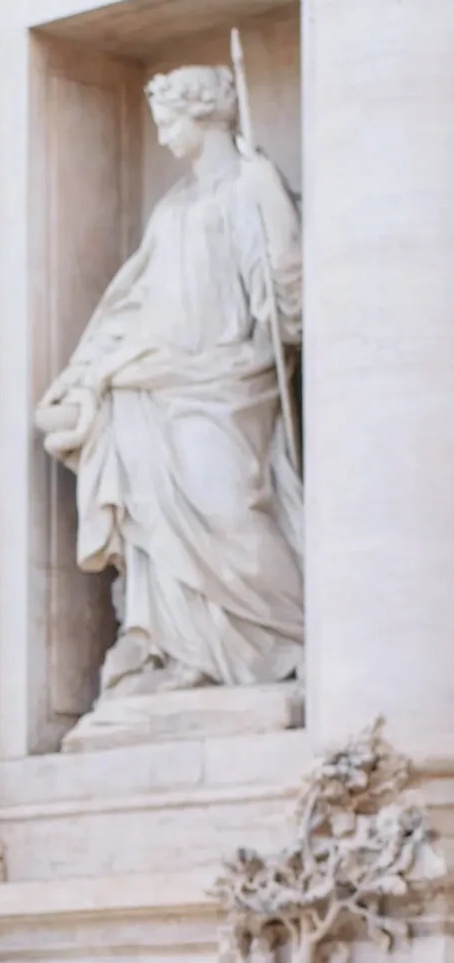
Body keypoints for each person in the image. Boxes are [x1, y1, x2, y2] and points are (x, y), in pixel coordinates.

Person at [36, 62, 303, 702]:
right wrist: (83, 377)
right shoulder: (173, 207)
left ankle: (291, 633)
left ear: (205, 115)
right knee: (155, 518)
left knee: (229, 508)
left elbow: (288, 281)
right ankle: (181, 648)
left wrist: (282, 303)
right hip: (158, 382)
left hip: (230, 379)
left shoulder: (254, 182)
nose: (160, 138)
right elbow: (132, 303)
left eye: (169, 121)